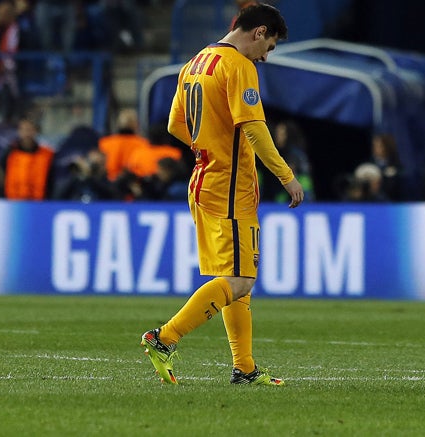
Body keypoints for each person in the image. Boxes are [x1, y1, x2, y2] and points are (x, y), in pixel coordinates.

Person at [140, 4, 303, 386]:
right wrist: (286, 176)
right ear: (258, 32)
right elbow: (255, 130)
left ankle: (244, 368)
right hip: (230, 185)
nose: (265, 56)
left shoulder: (195, 62)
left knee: (234, 278)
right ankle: (164, 338)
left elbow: (175, 124)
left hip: (203, 179)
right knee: (242, 279)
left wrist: (207, 142)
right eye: (270, 46)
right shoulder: (238, 65)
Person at [258, 119, 314, 203]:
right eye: (277, 133)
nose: (278, 137)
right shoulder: (293, 151)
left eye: (281, 134)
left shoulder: (292, 154)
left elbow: (291, 176)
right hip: (301, 190)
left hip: (300, 191)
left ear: (288, 135)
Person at [1, 117, 55, 200]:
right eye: (24, 130)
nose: (27, 134)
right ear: (19, 132)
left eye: (30, 130)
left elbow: (52, 180)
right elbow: (2, 175)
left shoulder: (47, 155)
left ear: (36, 131)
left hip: (40, 203)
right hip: (12, 202)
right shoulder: (9, 153)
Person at [98, 107, 149, 181]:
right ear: (136, 125)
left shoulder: (104, 143)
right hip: (133, 184)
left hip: (109, 184)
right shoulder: (144, 144)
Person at [370, 133, 403, 201]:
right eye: (374, 146)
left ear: (386, 147)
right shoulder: (370, 163)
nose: (374, 149)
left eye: (378, 146)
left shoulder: (396, 165)